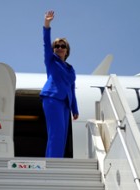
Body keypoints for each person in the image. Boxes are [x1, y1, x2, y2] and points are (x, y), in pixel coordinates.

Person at [40, 10, 79, 158]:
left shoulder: (70, 69)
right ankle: (52, 163)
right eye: (56, 46)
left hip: (65, 103)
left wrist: (74, 108)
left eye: (62, 46)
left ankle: (56, 161)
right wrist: (47, 24)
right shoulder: (51, 60)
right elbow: (45, 42)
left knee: (62, 135)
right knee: (55, 133)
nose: (59, 48)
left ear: (67, 50)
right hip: (52, 98)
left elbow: (72, 89)